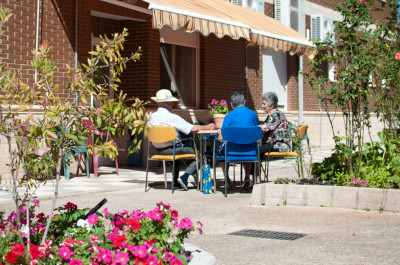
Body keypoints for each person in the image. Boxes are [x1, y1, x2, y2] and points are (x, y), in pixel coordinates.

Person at [147, 89, 215, 191]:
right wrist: (209, 126)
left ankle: (176, 183)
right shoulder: (172, 117)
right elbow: (193, 129)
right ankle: (184, 177)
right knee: (200, 153)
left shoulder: (151, 117)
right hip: (173, 150)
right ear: (166, 103)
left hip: (157, 150)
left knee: (182, 151)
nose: (174, 103)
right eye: (172, 102)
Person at [218, 91, 258, 191]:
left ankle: (226, 179)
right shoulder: (253, 114)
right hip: (250, 151)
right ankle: (247, 178)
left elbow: (223, 136)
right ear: (244, 102)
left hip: (232, 151)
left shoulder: (229, 116)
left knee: (220, 151)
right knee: (246, 146)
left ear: (231, 104)